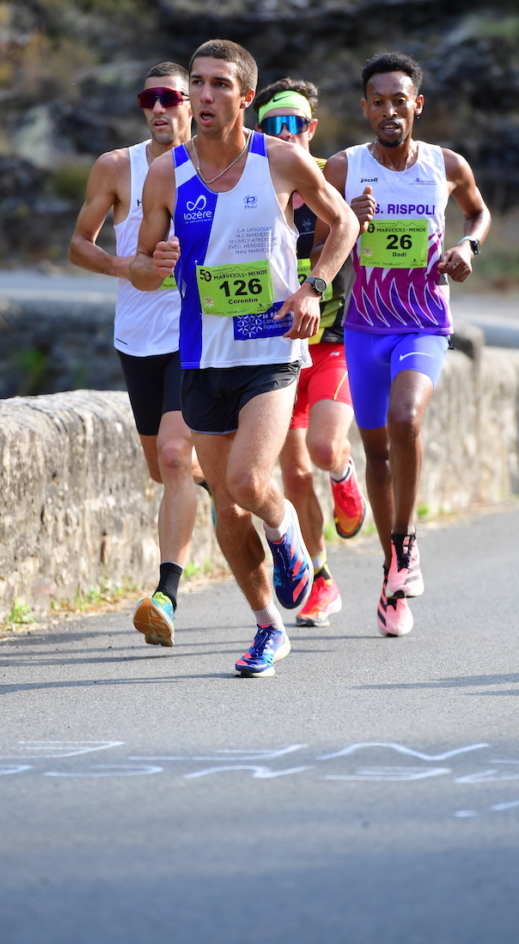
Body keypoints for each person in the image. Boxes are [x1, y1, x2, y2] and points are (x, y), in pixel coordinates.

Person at [130, 39, 359, 677]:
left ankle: (287, 536)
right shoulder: (164, 174)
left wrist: (314, 287)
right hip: (203, 356)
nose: (203, 96)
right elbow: (145, 268)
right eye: (197, 84)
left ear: (245, 97)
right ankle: (268, 627)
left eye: (219, 85)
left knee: (249, 484)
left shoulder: (280, 161)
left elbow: (343, 224)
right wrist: (157, 262)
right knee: (226, 507)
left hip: (271, 349)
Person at [315, 51, 491, 638]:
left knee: (406, 417)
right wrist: (346, 220)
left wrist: (468, 248)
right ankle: (392, 568)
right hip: (364, 328)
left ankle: (407, 544)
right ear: (364, 108)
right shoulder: (342, 168)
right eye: (378, 101)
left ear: (417, 105)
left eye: (400, 100)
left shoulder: (445, 165)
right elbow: (315, 244)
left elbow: (479, 212)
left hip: (424, 320)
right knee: (377, 455)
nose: (389, 110)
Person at [68, 61, 199, 649]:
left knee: (173, 456)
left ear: (192, 103)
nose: (159, 108)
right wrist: (129, 266)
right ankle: (218, 481)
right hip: (136, 337)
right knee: (163, 467)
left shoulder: (215, 167)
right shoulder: (117, 168)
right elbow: (77, 245)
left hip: (195, 334)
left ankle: (165, 594)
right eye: (150, 98)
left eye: (172, 97)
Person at [252, 78, 365, 629]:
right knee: (293, 475)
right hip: (280, 347)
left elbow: (361, 231)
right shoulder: (253, 179)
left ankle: (345, 476)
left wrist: (362, 218)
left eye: (295, 123)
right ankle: (321, 577)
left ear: (311, 128)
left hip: (335, 340)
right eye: (273, 124)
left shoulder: (332, 176)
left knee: (323, 449)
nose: (285, 133)